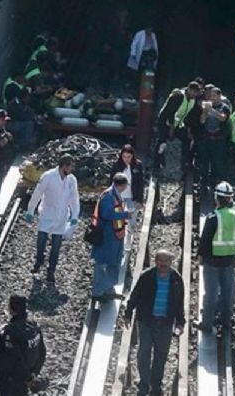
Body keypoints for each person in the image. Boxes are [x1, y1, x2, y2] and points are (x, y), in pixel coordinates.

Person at [124, 250, 185, 396]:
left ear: (171, 262)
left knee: (161, 355)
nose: (163, 263)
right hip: (146, 321)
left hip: (165, 322)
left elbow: (179, 303)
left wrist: (180, 322)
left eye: (166, 260)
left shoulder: (176, 279)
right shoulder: (147, 276)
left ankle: (156, 384)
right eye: (160, 260)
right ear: (155, 261)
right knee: (143, 352)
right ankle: (144, 384)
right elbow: (135, 295)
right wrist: (128, 313)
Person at [195, 182, 235, 333]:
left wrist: (200, 256)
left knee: (211, 293)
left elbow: (205, 240)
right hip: (229, 260)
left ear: (216, 198)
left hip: (212, 261)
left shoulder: (213, 216)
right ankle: (226, 321)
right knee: (228, 291)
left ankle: (206, 323)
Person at [24, 155, 80, 282]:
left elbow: (74, 198)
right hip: (47, 213)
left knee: (56, 246)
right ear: (64, 166)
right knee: (41, 240)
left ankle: (51, 270)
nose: (71, 170)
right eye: (70, 166)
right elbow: (37, 193)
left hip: (61, 216)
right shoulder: (48, 176)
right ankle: (39, 260)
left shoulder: (72, 180)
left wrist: (75, 215)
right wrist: (30, 210)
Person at [0, 294, 46, 396]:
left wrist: (28, 378)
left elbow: (16, 358)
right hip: (26, 376)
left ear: (11, 309)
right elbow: (42, 352)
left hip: (11, 379)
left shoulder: (11, 331)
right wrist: (33, 374)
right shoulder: (35, 326)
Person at [91, 173, 131, 301]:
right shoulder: (108, 196)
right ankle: (98, 291)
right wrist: (124, 215)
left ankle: (108, 288)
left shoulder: (115, 195)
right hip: (107, 234)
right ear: (123, 185)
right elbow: (107, 214)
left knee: (113, 261)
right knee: (102, 262)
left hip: (116, 234)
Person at [156, 81, 202, 171]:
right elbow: (170, 113)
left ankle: (183, 165)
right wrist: (171, 130)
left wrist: (188, 129)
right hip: (166, 122)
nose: (195, 95)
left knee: (186, 140)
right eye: (193, 92)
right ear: (189, 90)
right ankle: (157, 164)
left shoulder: (193, 99)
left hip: (178, 124)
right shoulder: (178, 96)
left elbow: (189, 115)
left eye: (196, 93)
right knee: (162, 142)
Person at [197, 87, 231, 192]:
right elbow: (202, 121)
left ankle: (217, 183)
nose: (212, 98)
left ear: (219, 96)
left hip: (219, 140)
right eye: (211, 96)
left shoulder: (225, 107)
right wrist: (205, 112)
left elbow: (223, 118)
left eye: (214, 96)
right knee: (204, 161)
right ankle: (203, 182)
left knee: (218, 162)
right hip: (207, 139)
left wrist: (212, 110)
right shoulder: (207, 107)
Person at [110, 145, 145, 238]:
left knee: (132, 220)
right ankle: (120, 237)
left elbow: (141, 183)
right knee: (119, 218)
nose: (126, 159)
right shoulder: (117, 165)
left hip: (132, 196)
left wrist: (140, 200)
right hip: (119, 196)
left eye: (128, 157)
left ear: (133, 156)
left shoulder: (138, 165)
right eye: (124, 156)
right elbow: (111, 182)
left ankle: (129, 238)